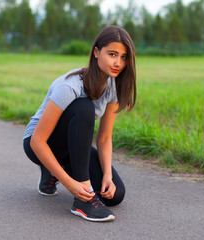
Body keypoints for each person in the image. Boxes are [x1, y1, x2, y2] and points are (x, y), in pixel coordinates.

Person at [23, 26, 136, 222]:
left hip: (72, 146)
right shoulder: (70, 86)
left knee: (115, 195)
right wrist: (71, 184)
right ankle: (81, 202)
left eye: (124, 57)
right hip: (42, 144)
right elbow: (37, 141)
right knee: (84, 107)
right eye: (112, 54)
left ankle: (53, 173)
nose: (118, 62)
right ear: (96, 52)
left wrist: (107, 175)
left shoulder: (112, 86)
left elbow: (104, 138)